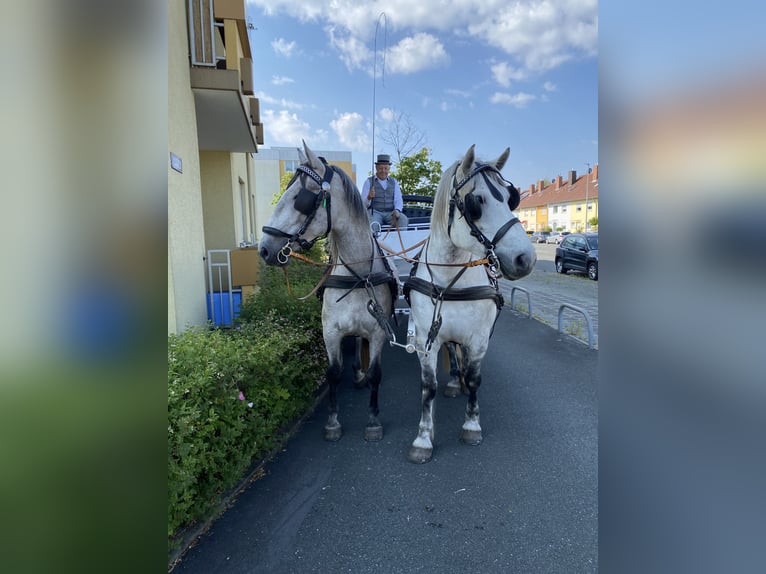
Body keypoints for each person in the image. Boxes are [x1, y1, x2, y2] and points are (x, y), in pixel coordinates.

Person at [361, 154, 409, 229]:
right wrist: (369, 197)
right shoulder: (368, 181)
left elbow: (398, 199)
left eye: (386, 168)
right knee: (373, 224)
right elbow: (362, 204)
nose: (383, 171)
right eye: (381, 168)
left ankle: (400, 240)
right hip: (375, 212)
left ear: (389, 169)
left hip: (391, 213)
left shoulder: (394, 182)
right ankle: (375, 241)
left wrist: (397, 210)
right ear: (376, 168)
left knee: (403, 219)